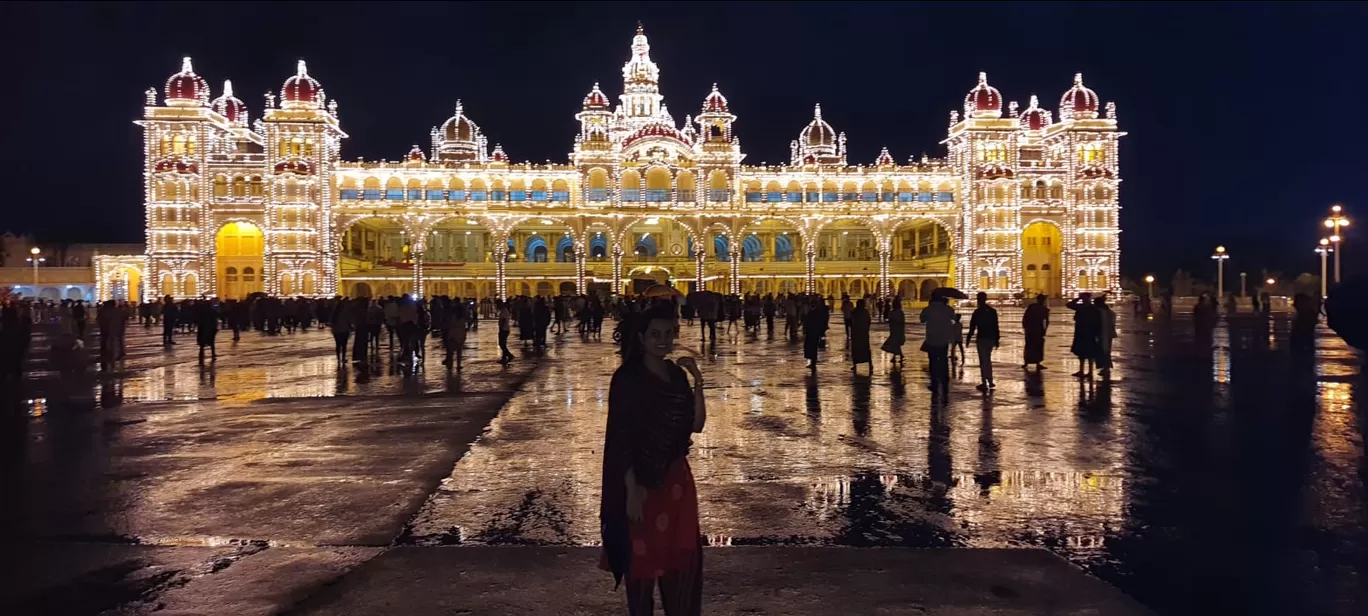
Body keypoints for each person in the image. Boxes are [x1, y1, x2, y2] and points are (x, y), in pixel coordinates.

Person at [600, 303, 706, 616]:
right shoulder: (628, 378)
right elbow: (622, 436)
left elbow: (696, 425)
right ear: (642, 337)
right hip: (642, 483)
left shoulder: (676, 375)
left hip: (676, 481)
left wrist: (698, 379)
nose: (663, 340)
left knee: (679, 560)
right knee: (641, 564)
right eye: (655, 334)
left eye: (669, 334)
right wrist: (631, 488)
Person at [919, 294, 956, 399]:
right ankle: (944, 381)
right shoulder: (948, 309)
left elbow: (922, 320)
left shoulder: (928, 309)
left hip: (932, 338)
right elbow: (953, 319)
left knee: (933, 361)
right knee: (943, 360)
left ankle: (934, 383)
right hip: (944, 339)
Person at [964, 292, 1000, 392]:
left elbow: (972, 327)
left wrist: (968, 338)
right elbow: (995, 326)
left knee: (983, 360)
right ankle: (990, 380)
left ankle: (985, 382)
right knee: (987, 360)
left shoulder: (977, 312)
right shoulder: (992, 311)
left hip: (982, 338)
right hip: (990, 338)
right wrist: (997, 339)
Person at [1066, 293, 1102, 378]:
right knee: (1082, 353)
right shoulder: (1082, 307)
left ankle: (1089, 371)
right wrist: (1078, 299)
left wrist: (1097, 333)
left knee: (1090, 353)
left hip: (1089, 332)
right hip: (1081, 332)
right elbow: (1068, 305)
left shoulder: (1092, 308)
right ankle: (1082, 370)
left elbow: (1098, 321)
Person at [1022, 294, 1049, 370]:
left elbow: (1025, 317)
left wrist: (1025, 326)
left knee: (1030, 346)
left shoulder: (1032, 307)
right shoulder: (1043, 309)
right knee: (1036, 346)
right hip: (1037, 329)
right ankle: (1036, 362)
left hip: (1031, 329)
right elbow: (1046, 321)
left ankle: (1027, 362)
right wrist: (1044, 330)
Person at [802, 296, 828, 372]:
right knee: (812, 347)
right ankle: (812, 362)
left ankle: (813, 362)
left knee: (812, 347)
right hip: (813, 332)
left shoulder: (814, 312)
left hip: (812, 332)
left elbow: (809, 321)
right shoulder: (815, 312)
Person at [848, 298, 872, 374]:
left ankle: (855, 364)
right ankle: (870, 364)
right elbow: (868, 321)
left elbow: (850, 321)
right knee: (865, 349)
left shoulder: (854, 312)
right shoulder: (865, 312)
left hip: (856, 333)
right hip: (863, 333)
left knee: (856, 349)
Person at [1096, 295, 1117, 378]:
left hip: (1104, 333)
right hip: (1108, 334)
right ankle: (1106, 367)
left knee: (1104, 351)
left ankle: (1106, 368)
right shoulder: (1108, 311)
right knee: (1106, 351)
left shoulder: (1102, 312)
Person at [880, 300, 905, 370]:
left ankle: (898, 356)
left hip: (894, 330)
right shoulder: (900, 312)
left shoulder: (892, 312)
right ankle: (898, 356)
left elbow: (890, 319)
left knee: (894, 343)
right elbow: (902, 322)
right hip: (899, 330)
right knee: (896, 344)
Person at [496, 300, 515, 366]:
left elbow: (503, 320)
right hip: (505, 329)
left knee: (501, 344)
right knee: (503, 344)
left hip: (504, 329)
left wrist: (501, 328)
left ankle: (509, 355)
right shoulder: (504, 310)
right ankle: (504, 357)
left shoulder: (504, 311)